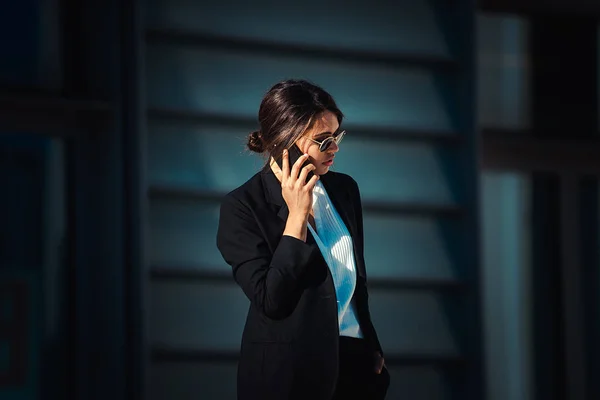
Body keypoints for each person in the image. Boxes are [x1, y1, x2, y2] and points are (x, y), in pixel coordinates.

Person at [216, 79, 389, 400]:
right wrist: (296, 217)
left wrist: (371, 346)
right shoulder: (242, 206)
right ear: (287, 140)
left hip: (354, 366)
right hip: (290, 376)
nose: (335, 148)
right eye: (324, 141)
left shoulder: (344, 189)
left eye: (337, 136)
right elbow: (272, 301)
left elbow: (355, 281)